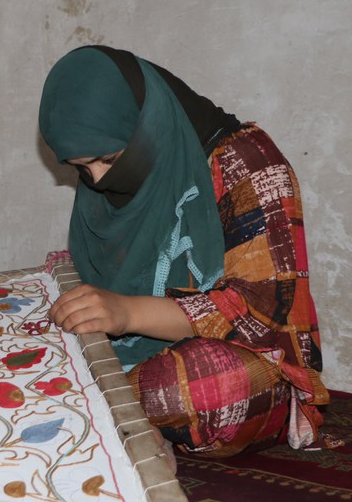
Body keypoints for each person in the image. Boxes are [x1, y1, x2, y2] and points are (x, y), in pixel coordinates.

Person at [38, 45, 329, 458]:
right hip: (134, 362)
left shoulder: (248, 163)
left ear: (143, 123)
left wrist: (126, 313)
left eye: (107, 159)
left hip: (251, 367)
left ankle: (96, 407)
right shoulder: (117, 171)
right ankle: (121, 416)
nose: (99, 180)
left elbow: (259, 310)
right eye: (82, 168)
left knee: (200, 384)